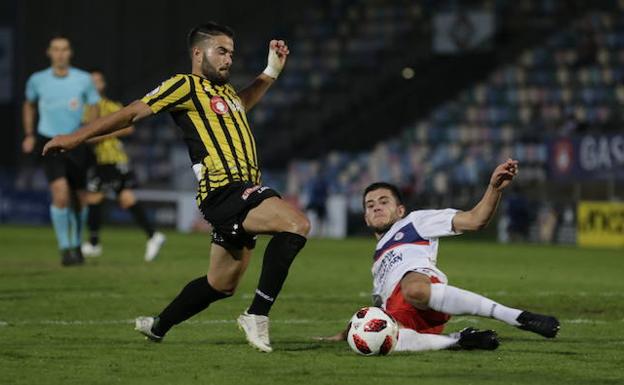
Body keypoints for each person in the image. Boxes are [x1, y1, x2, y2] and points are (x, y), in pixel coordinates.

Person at [43, 22, 310, 353]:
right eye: (222, 51)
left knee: (220, 285)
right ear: (198, 53)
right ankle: (257, 315)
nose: (229, 59)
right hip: (224, 189)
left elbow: (239, 106)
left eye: (231, 53)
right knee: (296, 224)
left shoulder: (225, 94)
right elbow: (131, 114)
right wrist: (76, 137)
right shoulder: (183, 85)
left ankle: (158, 326)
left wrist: (270, 71)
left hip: (239, 191)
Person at [321, 159, 560, 352]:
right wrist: (346, 333)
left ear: (400, 210)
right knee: (387, 337)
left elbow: (475, 220)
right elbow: (377, 311)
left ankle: (518, 317)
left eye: (384, 201)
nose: (376, 207)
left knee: (413, 289)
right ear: (365, 217)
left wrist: (494, 189)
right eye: (370, 205)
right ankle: (459, 341)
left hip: (421, 290)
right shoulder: (377, 261)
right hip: (405, 314)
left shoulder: (414, 222)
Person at [23, 35, 100, 266]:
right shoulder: (37, 80)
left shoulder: (84, 79)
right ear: (49, 52)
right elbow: (29, 104)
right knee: (60, 193)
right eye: (55, 49)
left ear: (70, 53)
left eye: (64, 49)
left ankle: (76, 244)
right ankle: (65, 249)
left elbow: (94, 106)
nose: (60, 53)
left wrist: (90, 132)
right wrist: (29, 134)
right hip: (50, 142)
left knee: (79, 199)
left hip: (76, 142)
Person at [81, 69, 166, 261]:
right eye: (91, 81)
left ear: (104, 84)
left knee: (94, 197)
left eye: (98, 80)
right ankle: (153, 235)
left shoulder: (111, 106)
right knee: (125, 198)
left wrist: (101, 135)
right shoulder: (87, 107)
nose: (95, 84)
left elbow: (128, 128)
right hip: (101, 160)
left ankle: (94, 244)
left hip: (110, 158)